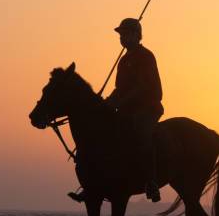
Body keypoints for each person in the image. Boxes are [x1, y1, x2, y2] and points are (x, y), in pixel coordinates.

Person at [68, 18, 163, 203]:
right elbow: (120, 88)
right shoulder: (124, 60)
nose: (123, 38)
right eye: (121, 35)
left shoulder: (146, 56)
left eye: (126, 34)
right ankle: (94, 183)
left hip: (148, 107)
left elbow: (143, 87)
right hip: (127, 109)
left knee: (141, 135)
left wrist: (121, 102)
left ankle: (151, 181)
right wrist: (106, 103)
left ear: (137, 35)